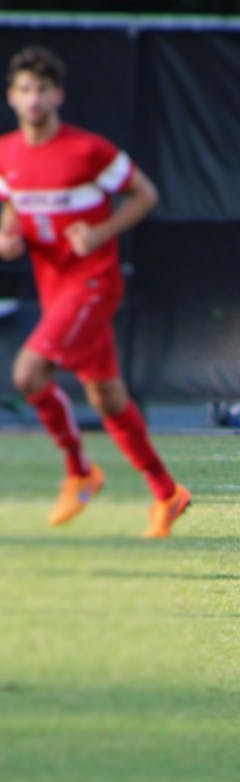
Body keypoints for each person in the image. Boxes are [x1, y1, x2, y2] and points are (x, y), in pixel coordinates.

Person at [0, 45, 190, 537]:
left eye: (42, 88)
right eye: (24, 89)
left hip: (92, 283)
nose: (33, 97)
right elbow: (11, 207)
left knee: (27, 374)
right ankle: (168, 494)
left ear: (58, 94)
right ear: (12, 98)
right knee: (106, 397)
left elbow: (145, 194)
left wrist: (100, 234)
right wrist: (7, 233)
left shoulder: (89, 150)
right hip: (54, 287)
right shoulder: (6, 153)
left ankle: (80, 473)